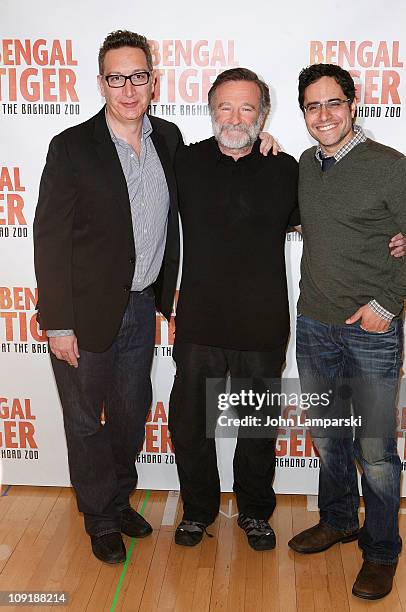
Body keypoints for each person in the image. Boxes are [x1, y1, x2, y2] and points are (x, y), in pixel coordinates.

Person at [288, 63, 406, 600]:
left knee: (374, 450)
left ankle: (380, 552)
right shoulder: (305, 165)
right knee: (329, 437)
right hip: (313, 325)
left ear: (353, 105)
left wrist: (386, 304)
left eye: (333, 103)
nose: (323, 115)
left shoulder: (391, 167)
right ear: (303, 113)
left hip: (371, 331)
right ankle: (337, 520)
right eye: (312, 106)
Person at [33, 30, 182, 564]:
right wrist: (57, 323)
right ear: (100, 83)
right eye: (116, 78)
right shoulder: (71, 146)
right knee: (83, 419)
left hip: (142, 306)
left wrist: (263, 146)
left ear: (152, 80)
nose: (128, 88)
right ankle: (98, 517)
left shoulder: (169, 137)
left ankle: (118, 500)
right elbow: (49, 238)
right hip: (82, 314)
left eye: (137, 76)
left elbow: (208, 187)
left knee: (128, 413)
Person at [168, 68, 300, 551]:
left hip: (263, 325)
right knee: (188, 424)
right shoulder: (183, 162)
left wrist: (390, 237)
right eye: (225, 106)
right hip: (200, 322)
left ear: (262, 114)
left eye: (247, 108)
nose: (236, 117)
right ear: (211, 111)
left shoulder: (286, 168)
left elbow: (331, 221)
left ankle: (254, 512)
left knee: (258, 429)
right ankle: (198, 511)